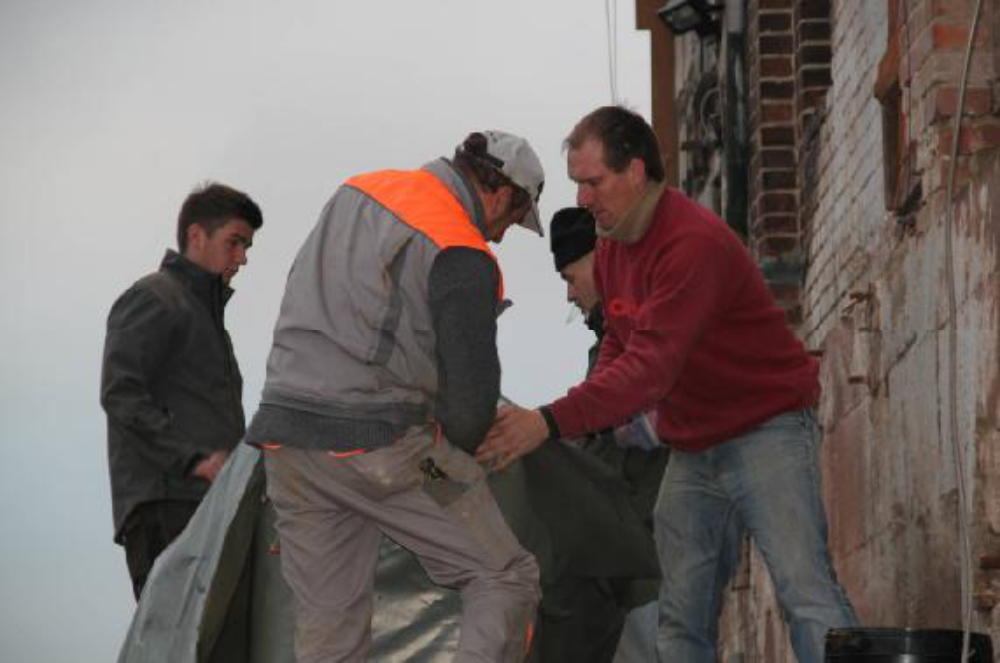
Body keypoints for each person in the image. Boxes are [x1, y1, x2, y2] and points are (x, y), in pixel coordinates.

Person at [478, 106, 859, 663]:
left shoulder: (691, 243)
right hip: (694, 446)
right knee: (678, 620)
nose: (582, 199)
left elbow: (650, 369)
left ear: (635, 171)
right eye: (577, 184)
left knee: (805, 592)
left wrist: (549, 421)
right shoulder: (611, 246)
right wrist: (575, 417)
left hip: (766, 432)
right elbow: (619, 347)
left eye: (592, 182)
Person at [246, 131, 544, 662]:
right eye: (510, 223)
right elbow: (469, 409)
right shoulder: (462, 248)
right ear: (501, 196)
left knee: (329, 636)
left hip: (289, 450)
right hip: (390, 452)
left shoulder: (357, 192)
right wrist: (463, 457)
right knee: (505, 576)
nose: (499, 237)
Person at [100, 182, 263, 600]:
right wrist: (192, 461)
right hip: (167, 504)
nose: (242, 258)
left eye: (246, 246)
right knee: (174, 642)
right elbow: (120, 394)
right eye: (234, 242)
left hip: (207, 505)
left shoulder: (206, 319)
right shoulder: (155, 297)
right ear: (196, 236)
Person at [525, 206, 668, 663]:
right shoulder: (611, 339)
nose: (570, 294)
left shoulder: (645, 329)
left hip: (650, 541)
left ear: (600, 257)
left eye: (571, 276)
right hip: (625, 547)